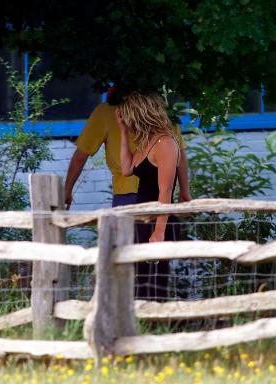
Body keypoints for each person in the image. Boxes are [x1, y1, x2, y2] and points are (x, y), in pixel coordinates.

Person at [63, 89, 191, 209]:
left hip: (127, 195)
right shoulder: (162, 111)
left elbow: (80, 156)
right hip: (160, 192)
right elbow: (180, 156)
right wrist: (185, 190)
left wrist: (67, 190)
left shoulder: (107, 111)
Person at [116, 91, 181, 300]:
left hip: (158, 221)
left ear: (139, 115)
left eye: (128, 118)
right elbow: (126, 168)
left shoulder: (165, 143)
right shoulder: (146, 142)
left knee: (154, 283)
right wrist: (123, 133)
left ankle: (156, 325)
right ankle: (140, 324)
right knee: (137, 279)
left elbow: (166, 190)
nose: (127, 122)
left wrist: (159, 230)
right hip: (141, 219)